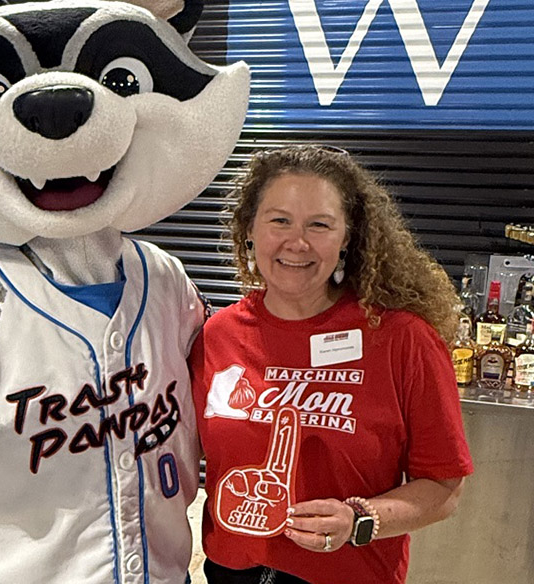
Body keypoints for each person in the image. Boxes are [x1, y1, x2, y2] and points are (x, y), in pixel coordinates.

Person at [190, 145, 473, 584]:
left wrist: (359, 520)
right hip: (231, 571)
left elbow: (444, 486)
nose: (296, 242)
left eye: (319, 225)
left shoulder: (401, 338)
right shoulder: (217, 335)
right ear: (249, 229)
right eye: (279, 220)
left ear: (346, 238)